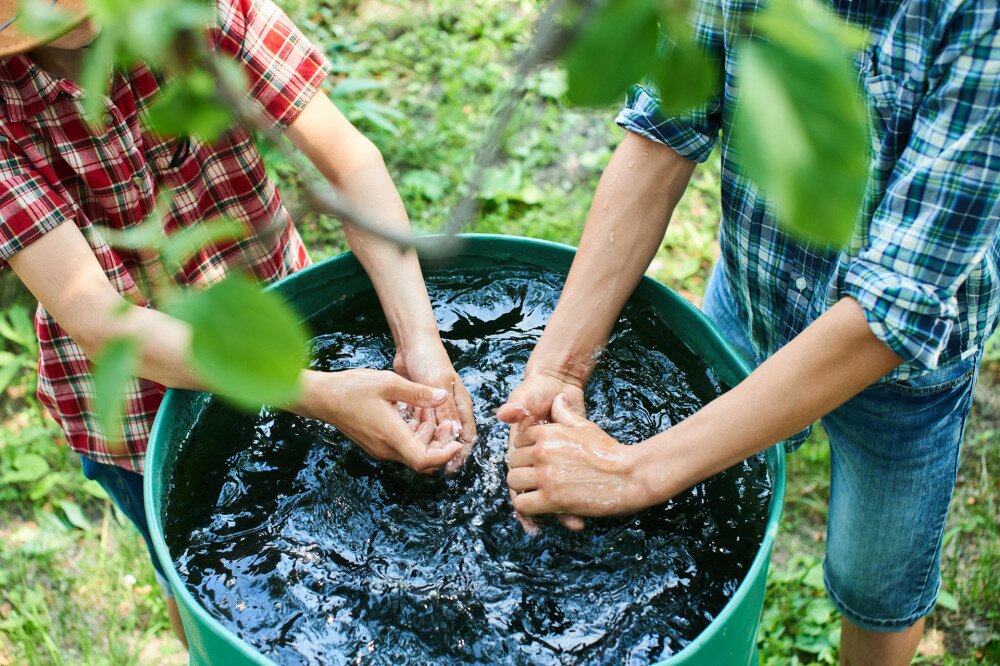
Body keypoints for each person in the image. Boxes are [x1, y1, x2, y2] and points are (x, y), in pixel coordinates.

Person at [499, 0, 998, 663]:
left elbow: (898, 307)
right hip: (751, 301)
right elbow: (667, 124)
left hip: (904, 378)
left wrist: (634, 471)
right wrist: (559, 367)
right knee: (711, 519)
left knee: (874, 583)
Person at [0, 0, 476, 646]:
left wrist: (420, 341)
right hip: (140, 412)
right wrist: (326, 396)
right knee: (197, 583)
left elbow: (349, 164)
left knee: (315, 547)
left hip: (279, 327)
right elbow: (97, 317)